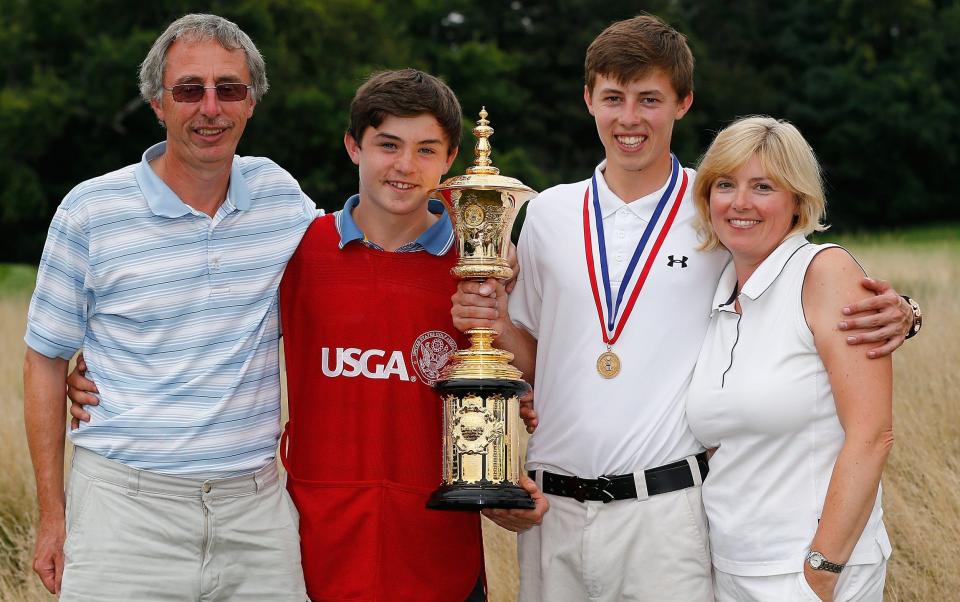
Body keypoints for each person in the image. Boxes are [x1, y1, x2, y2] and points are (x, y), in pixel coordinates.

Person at [451, 14, 913, 602]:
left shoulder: (716, 210)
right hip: (555, 511)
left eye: (650, 99)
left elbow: (807, 279)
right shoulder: (545, 215)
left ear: (684, 103)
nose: (630, 118)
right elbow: (539, 362)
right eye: (613, 98)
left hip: (669, 515)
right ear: (588, 99)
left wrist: (904, 311)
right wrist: (491, 324)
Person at [65, 68, 548, 601]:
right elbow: (206, 321)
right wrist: (100, 364)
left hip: (439, 553)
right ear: (353, 147)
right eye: (387, 145)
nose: (405, 166)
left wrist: (497, 327)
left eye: (426, 150)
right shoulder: (298, 250)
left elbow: (529, 380)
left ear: (451, 158)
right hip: (315, 551)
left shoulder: (480, 263)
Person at [23, 14, 315, 600]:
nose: (211, 107)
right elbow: (45, 361)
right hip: (122, 516)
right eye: (190, 90)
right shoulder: (90, 209)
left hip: (255, 513)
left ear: (251, 102)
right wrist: (52, 517)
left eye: (229, 88)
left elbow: (356, 268)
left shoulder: (281, 197)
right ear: (158, 103)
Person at [686, 116, 892, 602]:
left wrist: (819, 571)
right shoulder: (719, 296)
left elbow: (872, 435)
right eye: (725, 184)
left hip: (811, 573)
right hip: (731, 568)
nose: (740, 203)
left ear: (797, 199)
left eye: (763, 186)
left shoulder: (824, 271)